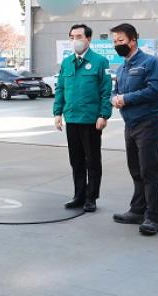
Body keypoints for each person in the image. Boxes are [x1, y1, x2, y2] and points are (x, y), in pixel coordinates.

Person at [110, 23, 158, 236]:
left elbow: (155, 90)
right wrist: (114, 98)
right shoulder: (121, 68)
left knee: (149, 170)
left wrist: (126, 98)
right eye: (115, 41)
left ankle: (152, 218)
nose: (117, 44)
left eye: (121, 40)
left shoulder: (150, 62)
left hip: (149, 123)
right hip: (130, 124)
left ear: (133, 40)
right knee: (135, 169)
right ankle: (137, 210)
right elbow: (115, 91)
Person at [53, 24, 112, 212]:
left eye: (79, 36)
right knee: (76, 160)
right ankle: (79, 195)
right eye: (72, 37)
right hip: (72, 118)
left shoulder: (100, 62)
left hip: (91, 120)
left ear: (88, 39)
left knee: (92, 161)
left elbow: (106, 91)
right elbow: (60, 89)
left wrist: (103, 114)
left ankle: (91, 197)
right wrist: (57, 113)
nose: (75, 40)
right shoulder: (67, 62)